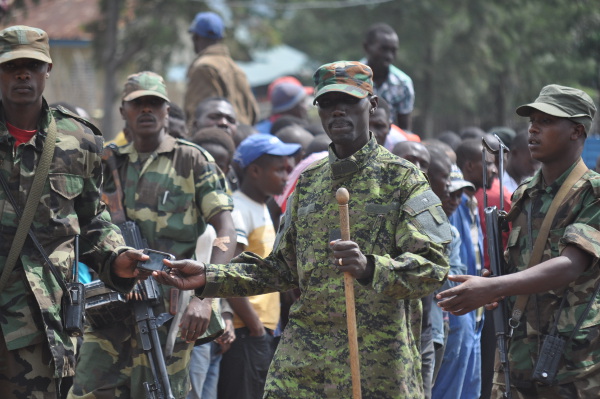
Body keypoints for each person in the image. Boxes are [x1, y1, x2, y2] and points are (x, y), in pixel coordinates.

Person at [153, 60, 451, 398]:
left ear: (372, 104)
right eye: (327, 103)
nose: (338, 111)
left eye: (348, 101)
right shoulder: (308, 183)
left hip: (377, 364)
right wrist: (210, 277)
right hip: (305, 363)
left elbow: (435, 266)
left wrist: (371, 267)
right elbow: (281, 268)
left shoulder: (403, 179)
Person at [69, 71, 237, 399]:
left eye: (154, 103)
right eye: (138, 104)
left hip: (168, 312)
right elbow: (82, 228)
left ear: (167, 110)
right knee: (86, 392)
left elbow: (226, 229)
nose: (146, 110)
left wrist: (207, 295)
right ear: (123, 112)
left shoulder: (192, 160)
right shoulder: (104, 163)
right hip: (110, 307)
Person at [0, 25, 146, 399]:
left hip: (43, 324)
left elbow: (92, 217)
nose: (22, 74)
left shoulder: (79, 141)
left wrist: (116, 256)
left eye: (32, 65)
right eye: (12, 65)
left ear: (48, 70)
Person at [438, 84, 600, 398]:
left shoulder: (592, 194)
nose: (533, 129)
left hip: (573, 364)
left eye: (547, 121)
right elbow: (520, 267)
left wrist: (495, 287)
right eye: (532, 121)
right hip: (517, 356)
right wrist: (493, 283)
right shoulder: (526, 194)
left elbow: (570, 265)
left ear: (577, 131)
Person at [219, 134, 300, 399]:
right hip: (246, 331)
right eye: (279, 170)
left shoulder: (262, 206)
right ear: (254, 170)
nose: (285, 177)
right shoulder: (238, 208)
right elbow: (231, 273)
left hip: (261, 328)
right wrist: (254, 327)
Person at [432, 164, 483, 399]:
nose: (453, 200)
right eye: (448, 194)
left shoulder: (452, 230)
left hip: (460, 319)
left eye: (457, 195)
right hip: (440, 322)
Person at [184, 12, 258, 126]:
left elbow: (200, 116)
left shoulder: (203, 67)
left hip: (215, 140)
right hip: (240, 138)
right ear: (221, 38)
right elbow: (254, 114)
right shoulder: (237, 69)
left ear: (195, 37)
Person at [362, 23, 415, 130]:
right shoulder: (349, 78)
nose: (389, 56)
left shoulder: (403, 83)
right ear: (367, 47)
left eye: (393, 50)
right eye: (384, 49)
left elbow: (404, 129)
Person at [502, 130, 540, 194]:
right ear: (514, 153)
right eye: (531, 162)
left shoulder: (533, 184)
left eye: (538, 162)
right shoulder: (500, 184)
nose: (535, 167)